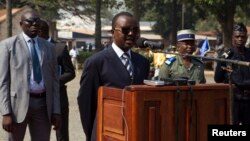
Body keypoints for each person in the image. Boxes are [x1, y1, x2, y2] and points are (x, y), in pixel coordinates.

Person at [77, 11, 150, 141]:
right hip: (107, 132)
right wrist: (92, 133)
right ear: (112, 32)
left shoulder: (142, 63)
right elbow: (86, 103)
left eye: (135, 30)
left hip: (134, 132)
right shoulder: (96, 62)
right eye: (125, 30)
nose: (131, 34)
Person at [0, 11, 61, 141]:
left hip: (43, 106)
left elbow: (55, 81)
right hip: (17, 107)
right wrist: (5, 113)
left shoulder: (49, 47)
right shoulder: (8, 45)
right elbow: (3, 82)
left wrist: (56, 110)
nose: (34, 25)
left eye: (37, 22)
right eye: (30, 22)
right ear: (21, 24)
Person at [38, 20, 76, 141]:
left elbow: (70, 72)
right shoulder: (32, 48)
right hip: (39, 99)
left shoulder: (60, 48)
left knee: (62, 135)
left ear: (41, 32)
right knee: (40, 134)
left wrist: (54, 82)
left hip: (59, 99)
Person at [214, 23, 250, 124]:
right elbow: (217, 78)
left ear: (246, 37)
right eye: (237, 36)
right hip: (234, 100)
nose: (240, 39)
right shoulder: (226, 56)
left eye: (242, 37)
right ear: (233, 37)